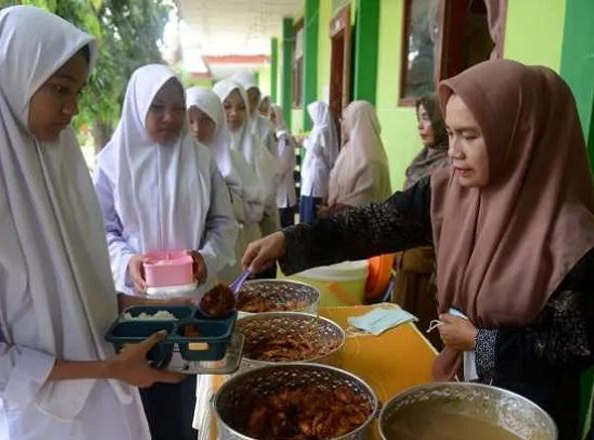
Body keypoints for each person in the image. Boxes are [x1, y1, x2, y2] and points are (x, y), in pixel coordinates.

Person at [243, 59, 594, 437]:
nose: (454, 151)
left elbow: (574, 346)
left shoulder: (574, 239)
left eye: (470, 136)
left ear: (521, 136)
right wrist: (289, 240)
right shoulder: (447, 191)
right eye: (452, 133)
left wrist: (481, 342)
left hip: (527, 415)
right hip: (458, 392)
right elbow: (371, 225)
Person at [0, 7, 183, 440]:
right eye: (61, 89)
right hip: (35, 420)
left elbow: (73, 287)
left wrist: (139, 308)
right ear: (15, 77)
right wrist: (106, 368)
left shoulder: (55, 169)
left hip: (104, 401)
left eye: (78, 91)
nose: (72, 109)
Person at [94, 65, 238, 440]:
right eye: (157, 107)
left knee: (189, 401)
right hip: (135, 308)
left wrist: (207, 257)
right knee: (142, 403)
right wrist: (128, 262)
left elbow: (224, 225)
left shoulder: (201, 160)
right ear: (137, 106)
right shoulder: (112, 163)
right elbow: (101, 231)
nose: (170, 117)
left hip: (195, 307)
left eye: (177, 106)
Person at [186, 86, 265, 282]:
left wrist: (228, 199)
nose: (196, 129)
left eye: (205, 120)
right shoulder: (178, 164)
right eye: (190, 121)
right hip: (188, 258)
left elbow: (256, 210)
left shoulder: (235, 161)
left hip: (231, 255)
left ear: (217, 121)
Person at [393, 95, 450, 348]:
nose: (420, 126)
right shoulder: (422, 159)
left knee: (424, 335)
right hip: (407, 260)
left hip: (429, 267)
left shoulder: (450, 164)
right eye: (418, 119)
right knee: (402, 328)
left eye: (426, 119)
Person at [231, 71, 280, 242]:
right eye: (247, 98)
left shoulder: (264, 126)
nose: (251, 104)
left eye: (253, 99)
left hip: (261, 211)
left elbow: (274, 165)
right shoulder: (221, 134)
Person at [324, 101, 391, 217]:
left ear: (356, 122)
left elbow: (361, 204)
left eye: (345, 119)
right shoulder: (348, 150)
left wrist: (330, 213)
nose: (342, 124)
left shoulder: (371, 160)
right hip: (338, 223)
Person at [299, 101, 339, 224]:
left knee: (312, 210)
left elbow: (315, 150)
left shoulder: (321, 130)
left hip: (316, 174)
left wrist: (303, 141)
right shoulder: (320, 129)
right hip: (317, 173)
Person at [270, 104, 297, 227]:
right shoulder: (273, 136)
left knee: (284, 230)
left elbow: (282, 165)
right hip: (277, 193)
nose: (270, 119)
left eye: (273, 116)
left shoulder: (283, 138)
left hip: (283, 192)